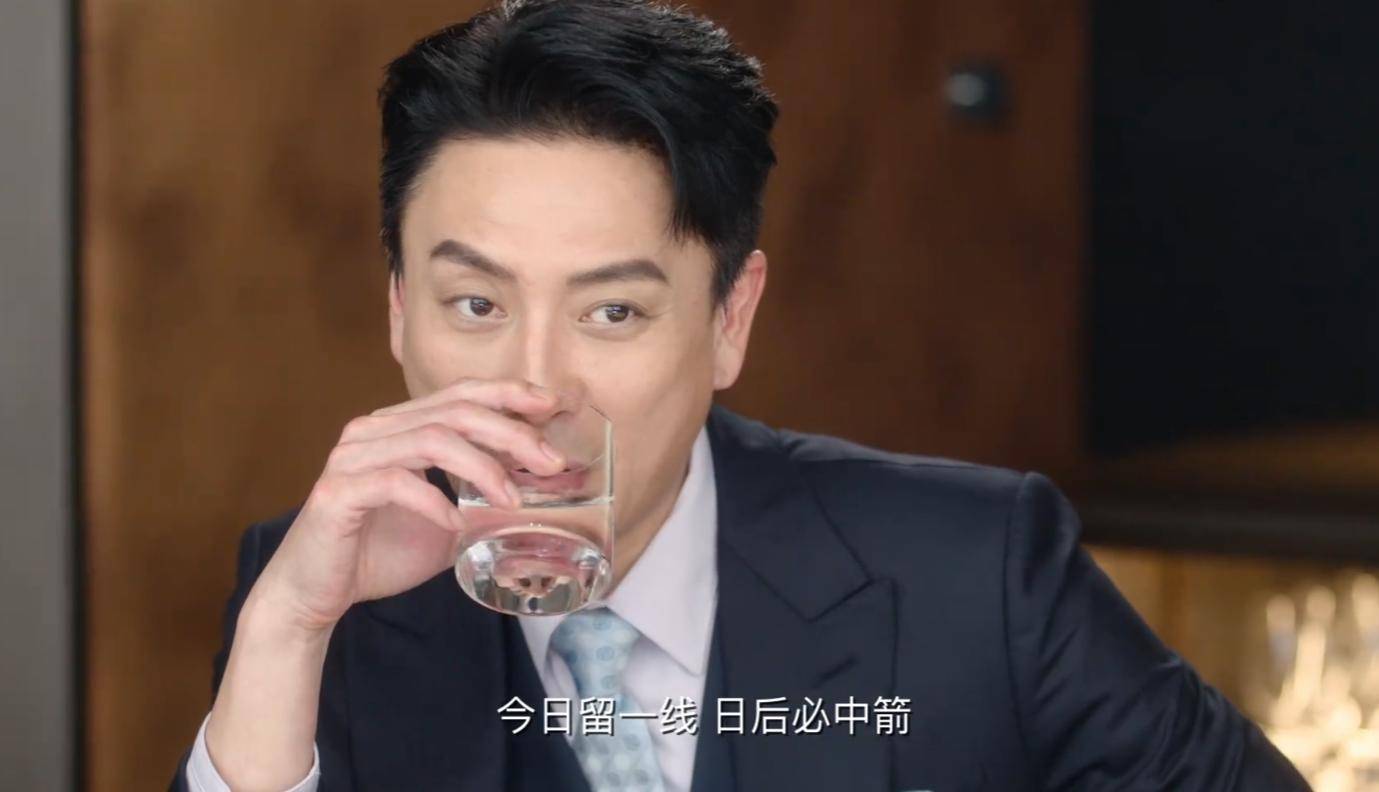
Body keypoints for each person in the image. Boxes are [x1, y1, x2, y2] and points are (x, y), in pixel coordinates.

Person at [172, 1, 1310, 790]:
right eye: (475, 304)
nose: (535, 388)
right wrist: (287, 629)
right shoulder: (317, 601)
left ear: (729, 319)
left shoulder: (978, 570)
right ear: (395, 311)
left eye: (611, 313)